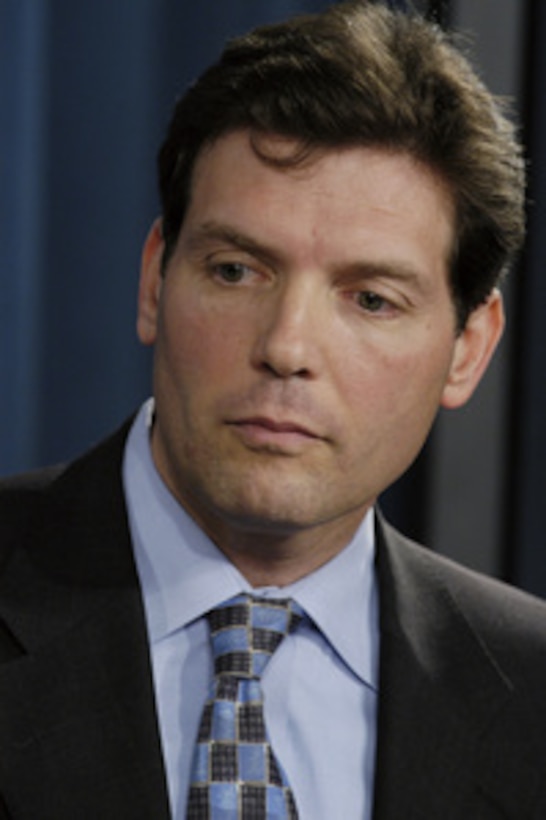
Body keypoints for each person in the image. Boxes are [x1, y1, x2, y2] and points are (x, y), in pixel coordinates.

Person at [1, 1, 546, 818]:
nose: (287, 346)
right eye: (235, 271)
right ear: (156, 277)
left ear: (468, 347)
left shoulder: (530, 690)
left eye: (370, 299)